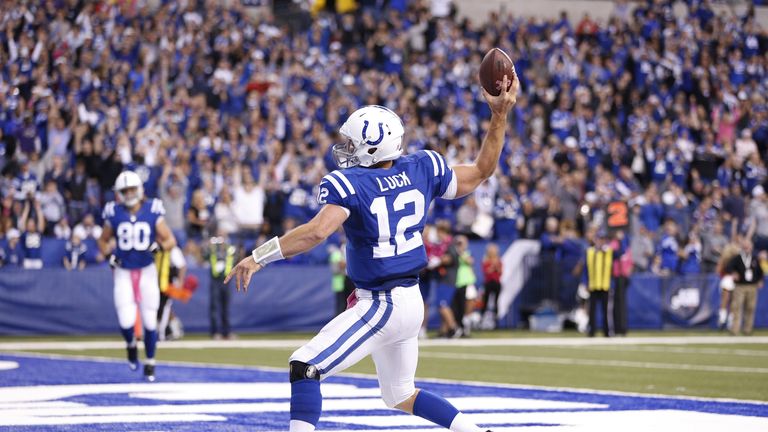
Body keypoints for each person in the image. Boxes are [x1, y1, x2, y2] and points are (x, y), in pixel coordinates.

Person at [226, 73, 518, 432]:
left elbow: (316, 232)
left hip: (383, 302)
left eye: (352, 143)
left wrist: (258, 256)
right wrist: (499, 115)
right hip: (411, 299)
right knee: (399, 394)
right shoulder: (422, 168)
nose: (345, 149)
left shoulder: (350, 183)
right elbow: (482, 170)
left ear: (373, 147)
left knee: (305, 366)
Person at [98, 170, 177, 382]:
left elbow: (170, 240)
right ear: (119, 193)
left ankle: (150, 362)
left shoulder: (153, 209)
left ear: (139, 189)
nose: (129, 193)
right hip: (123, 272)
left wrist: (158, 246)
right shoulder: (113, 212)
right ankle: (131, 345)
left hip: (147, 272)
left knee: (150, 321)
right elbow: (103, 240)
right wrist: (108, 254)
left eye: (132, 189)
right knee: (125, 321)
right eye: (125, 190)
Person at [724, 235, 764, 336]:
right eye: (745, 246)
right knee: (736, 307)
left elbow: (760, 271)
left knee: (750, 308)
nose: (747, 248)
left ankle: (747, 329)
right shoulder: (737, 258)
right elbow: (728, 267)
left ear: (751, 247)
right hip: (740, 286)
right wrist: (733, 273)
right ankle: (735, 330)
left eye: (748, 246)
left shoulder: (754, 258)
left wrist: (760, 280)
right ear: (742, 247)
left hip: (752, 286)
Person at [206, 233, 237, 339]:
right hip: (215, 280)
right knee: (214, 307)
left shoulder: (230, 249)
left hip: (226, 280)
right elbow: (203, 256)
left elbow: (237, 258)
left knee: (226, 307)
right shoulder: (213, 249)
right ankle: (215, 332)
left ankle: (226, 332)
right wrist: (208, 246)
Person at [582, 230, 613, 337]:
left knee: (606, 311)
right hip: (593, 285)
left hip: (605, 285)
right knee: (592, 310)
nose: (601, 241)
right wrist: (585, 283)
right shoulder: (590, 251)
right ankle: (591, 331)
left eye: (603, 239)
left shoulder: (609, 251)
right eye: (599, 239)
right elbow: (585, 269)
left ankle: (607, 332)